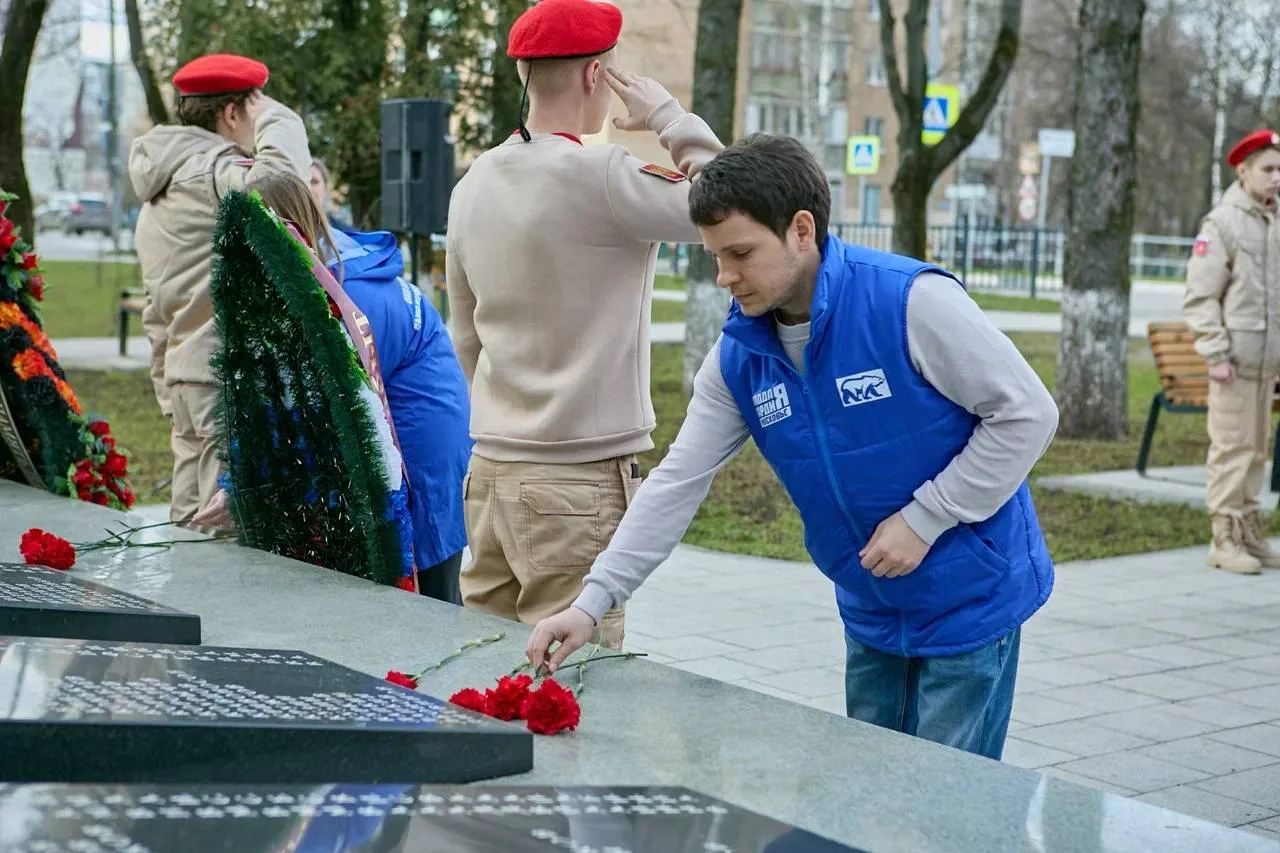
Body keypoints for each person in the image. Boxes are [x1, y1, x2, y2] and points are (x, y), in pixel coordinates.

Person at [526, 135, 1060, 761]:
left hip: (969, 600)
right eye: (715, 258)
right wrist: (591, 604)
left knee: (945, 814)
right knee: (870, 800)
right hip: (872, 609)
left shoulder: (909, 303)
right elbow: (676, 480)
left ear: (801, 230)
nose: (725, 276)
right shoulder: (740, 359)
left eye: (741, 253)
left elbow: (1027, 414)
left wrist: (927, 516)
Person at [445, 0, 724, 645]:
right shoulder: (604, 176)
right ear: (596, 75)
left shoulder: (473, 183)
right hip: (576, 478)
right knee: (569, 690)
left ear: (524, 73)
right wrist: (668, 118)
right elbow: (736, 202)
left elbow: (465, 333)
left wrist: (509, 411)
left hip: (489, 467)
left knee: (483, 667)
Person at [247, 171, 473, 603]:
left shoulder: (352, 297)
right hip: (411, 435)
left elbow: (329, 405)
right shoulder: (322, 280)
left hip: (421, 449)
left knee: (429, 595)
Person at [128, 53, 310, 523]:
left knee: (190, 525)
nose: (261, 119)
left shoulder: (163, 186)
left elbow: (156, 308)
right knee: (228, 538)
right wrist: (281, 120)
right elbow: (283, 190)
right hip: (221, 381)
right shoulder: (209, 172)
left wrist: (168, 390)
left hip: (188, 379)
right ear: (231, 113)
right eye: (256, 108)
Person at [1183, 129, 1280, 575]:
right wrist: (1215, 352)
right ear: (1243, 171)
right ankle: (1223, 537)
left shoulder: (1274, 221)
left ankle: (1249, 532)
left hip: (1267, 365)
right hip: (1234, 363)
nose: (1276, 178)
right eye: (1268, 169)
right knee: (1231, 449)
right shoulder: (1223, 223)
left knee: (1257, 451)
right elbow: (1200, 297)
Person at [308, 158, 354, 233]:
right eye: (305, 181)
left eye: (314, 182)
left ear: (325, 188)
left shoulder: (344, 233)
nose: (309, 187)